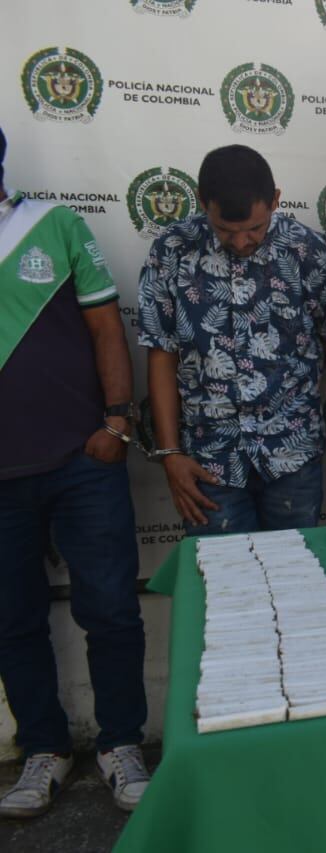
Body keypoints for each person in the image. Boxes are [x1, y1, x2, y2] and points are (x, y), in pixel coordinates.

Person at [0, 126, 150, 818]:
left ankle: (120, 740)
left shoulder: (54, 226)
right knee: (11, 619)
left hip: (80, 460)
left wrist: (117, 421)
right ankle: (45, 747)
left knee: (111, 609)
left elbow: (105, 329)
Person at [137, 145, 326, 534]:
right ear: (202, 202)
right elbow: (162, 355)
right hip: (210, 460)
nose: (242, 242)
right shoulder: (172, 250)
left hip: (292, 453)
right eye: (226, 231)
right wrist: (171, 452)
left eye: (255, 229)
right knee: (224, 584)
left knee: (298, 580)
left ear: (276, 199)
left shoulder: (306, 250)